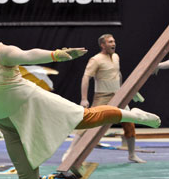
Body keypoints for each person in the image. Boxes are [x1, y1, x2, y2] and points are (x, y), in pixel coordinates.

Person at [0, 14, 160, 179]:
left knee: (86, 118)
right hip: (8, 125)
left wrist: (55, 54)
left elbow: (29, 55)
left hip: (33, 105)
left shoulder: (4, 53)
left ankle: (132, 115)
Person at [62, 34, 146, 163]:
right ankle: (70, 151)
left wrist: (128, 90)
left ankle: (132, 155)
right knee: (88, 123)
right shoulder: (96, 59)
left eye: (114, 41)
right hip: (102, 97)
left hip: (119, 95)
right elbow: (86, 77)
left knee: (130, 124)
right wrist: (84, 98)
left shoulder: (116, 57)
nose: (113, 44)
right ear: (103, 45)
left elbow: (118, 74)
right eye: (110, 42)